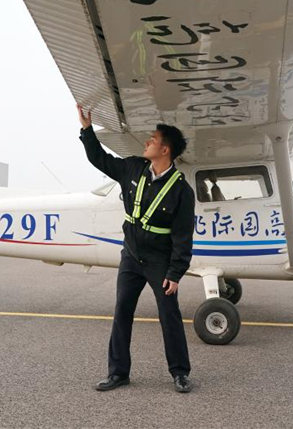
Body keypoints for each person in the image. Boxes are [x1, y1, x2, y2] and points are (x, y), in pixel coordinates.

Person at [77, 104, 195, 392]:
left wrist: (175, 273)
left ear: (165, 150)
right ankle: (118, 373)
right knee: (122, 312)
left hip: (160, 261)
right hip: (130, 256)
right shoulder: (132, 167)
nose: (147, 142)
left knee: (169, 315)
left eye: (152, 140)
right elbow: (99, 159)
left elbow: (183, 237)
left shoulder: (182, 191)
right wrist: (86, 129)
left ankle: (180, 373)